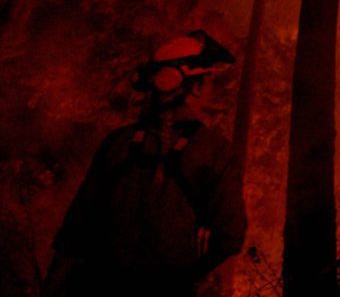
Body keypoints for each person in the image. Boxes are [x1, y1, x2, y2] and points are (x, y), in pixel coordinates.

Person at [43, 30, 247, 297]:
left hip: (95, 285)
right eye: (208, 81)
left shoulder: (118, 143)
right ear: (195, 87)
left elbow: (74, 232)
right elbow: (231, 235)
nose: (210, 90)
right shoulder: (215, 151)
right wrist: (188, 274)